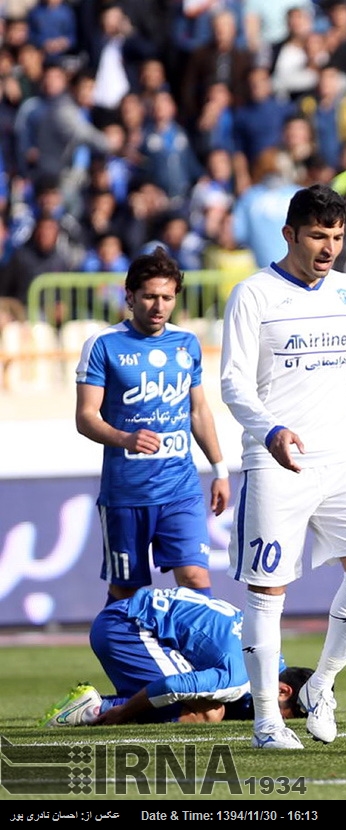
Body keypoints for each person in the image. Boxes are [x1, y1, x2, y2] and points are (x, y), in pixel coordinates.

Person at [221, 184, 346, 750]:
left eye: (337, 236)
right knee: (268, 591)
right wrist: (269, 430)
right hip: (278, 463)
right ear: (289, 234)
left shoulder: (345, 291)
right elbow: (233, 382)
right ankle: (268, 719)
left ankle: (321, 684)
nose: (329, 248)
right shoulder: (253, 294)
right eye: (318, 236)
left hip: (340, 458)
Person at [74, 246, 229, 605]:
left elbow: (199, 411)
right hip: (126, 494)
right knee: (126, 592)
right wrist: (125, 438)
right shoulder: (103, 345)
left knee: (195, 577)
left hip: (180, 487)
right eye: (149, 297)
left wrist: (220, 470)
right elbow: (85, 417)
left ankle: (196, 645)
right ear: (130, 296)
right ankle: (118, 643)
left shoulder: (186, 343)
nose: (159, 306)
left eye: (167, 298)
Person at [38, 587, 312, 728]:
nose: (282, 722)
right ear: (282, 690)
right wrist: (124, 713)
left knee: (221, 705)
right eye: (289, 717)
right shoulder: (240, 677)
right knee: (207, 713)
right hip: (127, 626)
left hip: (136, 620)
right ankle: (97, 708)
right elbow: (172, 686)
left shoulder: (269, 654)